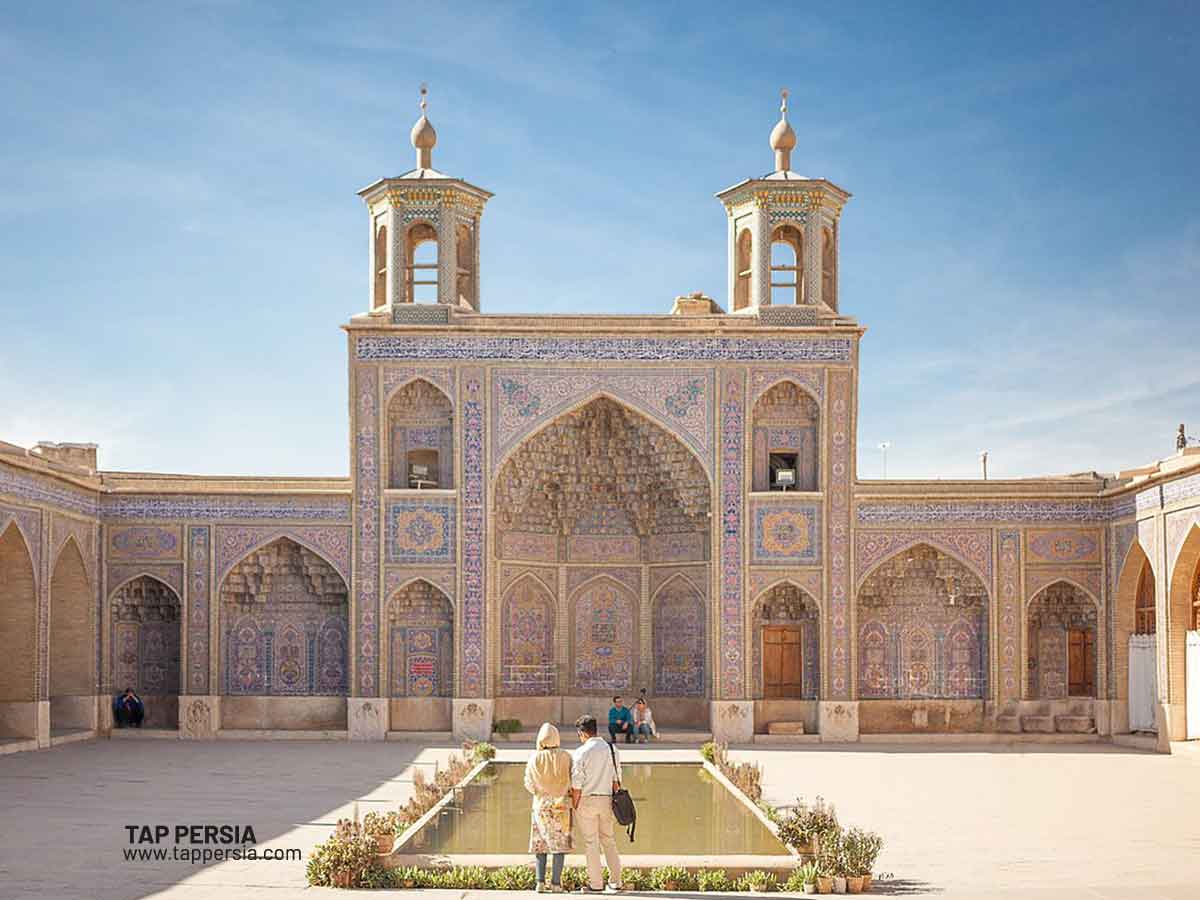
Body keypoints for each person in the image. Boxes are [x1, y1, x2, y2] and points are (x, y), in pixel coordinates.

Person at [570, 714, 624, 893]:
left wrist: (575, 806)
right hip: (607, 800)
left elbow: (576, 786)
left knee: (591, 843)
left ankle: (596, 884)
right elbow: (617, 781)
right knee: (609, 840)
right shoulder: (611, 749)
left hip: (587, 801)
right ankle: (616, 882)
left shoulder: (580, 752)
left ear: (582, 733)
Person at [524, 723, 574, 893]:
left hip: (541, 805)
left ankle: (539, 882)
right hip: (561, 805)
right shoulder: (566, 756)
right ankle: (556, 884)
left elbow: (528, 784)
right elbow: (573, 781)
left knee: (540, 844)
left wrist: (540, 792)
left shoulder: (534, 758)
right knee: (559, 845)